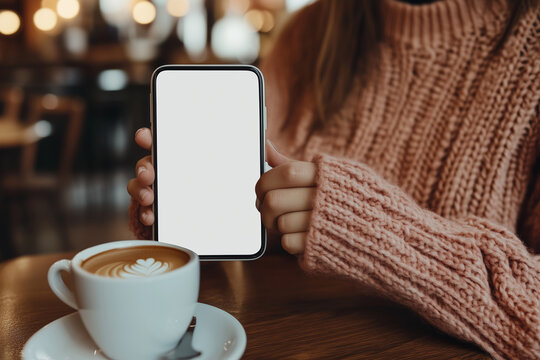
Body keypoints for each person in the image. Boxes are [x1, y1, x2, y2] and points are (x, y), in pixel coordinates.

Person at [127, 0, 540, 359]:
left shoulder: (530, 45)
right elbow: (253, 226)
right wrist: (185, 223)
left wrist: (370, 228)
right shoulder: (311, 32)